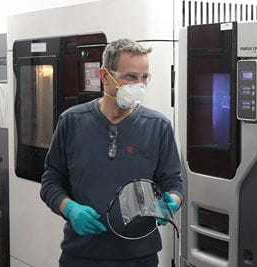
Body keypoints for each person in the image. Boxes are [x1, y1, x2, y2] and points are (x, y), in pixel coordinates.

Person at [40, 38, 183, 267]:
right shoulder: (72, 121)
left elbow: (174, 183)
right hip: (81, 256)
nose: (139, 85)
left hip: (139, 258)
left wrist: (171, 201)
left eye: (144, 77)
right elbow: (50, 181)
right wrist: (69, 208)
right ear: (105, 76)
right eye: (130, 77)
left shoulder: (158, 126)